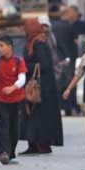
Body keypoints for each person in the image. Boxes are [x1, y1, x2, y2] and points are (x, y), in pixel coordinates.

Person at [21, 19, 63, 155]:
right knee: (31, 114)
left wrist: (25, 67)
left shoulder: (39, 43)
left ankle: (42, 144)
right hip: (34, 85)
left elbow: (44, 65)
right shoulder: (31, 43)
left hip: (42, 87)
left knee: (40, 116)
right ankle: (33, 144)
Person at [0, 36, 27, 165]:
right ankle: (4, 152)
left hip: (17, 100)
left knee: (15, 129)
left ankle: (11, 153)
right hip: (1, 100)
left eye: (1, 45)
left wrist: (12, 88)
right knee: (4, 127)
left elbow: (22, 79)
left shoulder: (19, 62)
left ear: (10, 47)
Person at [52, 6, 85, 116]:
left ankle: (62, 106)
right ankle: (71, 106)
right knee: (70, 82)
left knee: (60, 82)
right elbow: (77, 42)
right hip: (71, 57)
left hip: (58, 58)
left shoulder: (54, 26)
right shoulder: (70, 26)